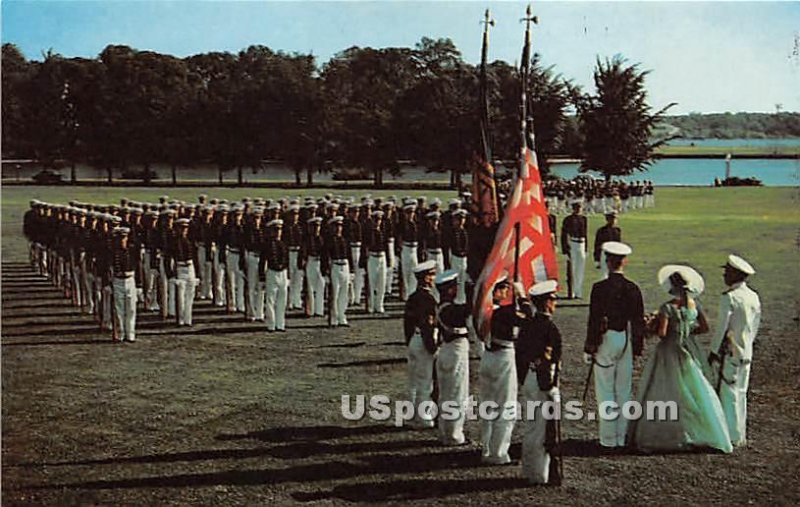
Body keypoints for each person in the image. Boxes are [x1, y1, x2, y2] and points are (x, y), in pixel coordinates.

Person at [628, 265, 732, 453]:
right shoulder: (695, 305)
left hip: (669, 350)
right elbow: (705, 328)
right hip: (689, 348)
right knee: (696, 389)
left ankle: (666, 435)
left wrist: (652, 324)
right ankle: (703, 431)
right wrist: (688, 330)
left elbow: (662, 333)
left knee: (665, 389)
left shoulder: (667, 307)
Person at [584, 241, 646, 450]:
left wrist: (590, 346)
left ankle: (608, 439)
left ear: (608, 261)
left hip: (606, 339)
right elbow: (638, 322)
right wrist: (637, 348)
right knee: (623, 390)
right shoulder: (633, 288)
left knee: (605, 391)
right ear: (624, 262)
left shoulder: (599, 288)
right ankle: (622, 436)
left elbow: (594, 319)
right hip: (626, 338)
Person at [708, 254, 761, 447]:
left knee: (728, 393)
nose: (724, 275)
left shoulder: (729, 298)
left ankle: (730, 436)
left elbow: (722, 327)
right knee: (741, 393)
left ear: (735, 274)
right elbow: (754, 326)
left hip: (730, 352)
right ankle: (740, 434)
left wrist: (713, 351)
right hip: (746, 350)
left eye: (727, 272)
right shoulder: (753, 297)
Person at [517, 279, 562, 484]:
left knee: (531, 427)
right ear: (545, 302)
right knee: (544, 430)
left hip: (529, 378)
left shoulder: (528, 325)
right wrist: (550, 386)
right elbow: (547, 359)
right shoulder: (550, 329)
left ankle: (530, 470)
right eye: (553, 299)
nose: (555, 303)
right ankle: (540, 474)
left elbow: (520, 355)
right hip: (544, 381)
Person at [480, 276, 527, 465]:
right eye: (504, 288)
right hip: (504, 356)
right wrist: (521, 295)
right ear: (496, 290)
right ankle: (498, 453)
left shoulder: (484, 310)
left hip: (488, 355)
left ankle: (487, 448)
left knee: (488, 405)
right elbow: (531, 315)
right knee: (506, 405)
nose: (507, 292)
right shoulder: (504, 312)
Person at [435, 269, 471, 445]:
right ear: (449, 289)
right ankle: (454, 435)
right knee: (456, 394)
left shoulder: (445, 306)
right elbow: (465, 312)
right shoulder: (448, 309)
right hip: (454, 351)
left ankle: (446, 432)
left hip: (449, 350)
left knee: (449, 393)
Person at [403, 260, 439, 429]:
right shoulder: (428, 299)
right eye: (431, 275)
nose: (433, 278)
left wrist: (409, 340)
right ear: (424, 278)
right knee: (425, 382)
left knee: (413, 381)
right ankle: (424, 418)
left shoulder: (413, 297)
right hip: (424, 340)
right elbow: (427, 325)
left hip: (413, 340)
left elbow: (407, 323)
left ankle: (410, 416)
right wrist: (432, 347)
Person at [110, 226, 141, 342]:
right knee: (119, 309)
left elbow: (138, 267)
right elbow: (107, 267)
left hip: (130, 279)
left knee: (131, 308)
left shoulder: (132, 251)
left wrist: (139, 284)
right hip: (118, 280)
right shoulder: (112, 252)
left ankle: (130, 333)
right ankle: (120, 332)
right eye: (120, 238)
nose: (122, 241)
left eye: (124, 238)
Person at [260, 218, 289, 332]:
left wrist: (288, 276)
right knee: (271, 300)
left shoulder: (283, 243)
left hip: (283, 273)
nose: (278, 232)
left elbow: (287, 260)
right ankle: (271, 324)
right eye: (275, 230)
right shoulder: (267, 244)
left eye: (279, 230)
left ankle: (280, 323)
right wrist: (262, 277)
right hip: (272, 272)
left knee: (282, 299)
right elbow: (262, 262)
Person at [323, 216, 352, 327]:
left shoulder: (345, 240)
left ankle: (342, 316)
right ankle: (333, 318)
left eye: (340, 226)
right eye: (336, 226)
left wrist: (352, 271)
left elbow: (348, 255)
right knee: (334, 294)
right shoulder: (329, 241)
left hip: (344, 266)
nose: (338, 228)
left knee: (344, 293)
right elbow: (325, 257)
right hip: (334, 266)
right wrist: (325, 272)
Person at [169, 218, 197, 327]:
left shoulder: (189, 240)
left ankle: (187, 318)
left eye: (185, 228)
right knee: (180, 295)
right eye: (182, 228)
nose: (184, 230)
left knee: (190, 294)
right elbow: (169, 258)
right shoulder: (173, 242)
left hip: (190, 267)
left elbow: (194, 257)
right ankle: (180, 319)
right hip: (179, 267)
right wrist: (171, 274)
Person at [561, 201, 587, 299]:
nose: (579, 209)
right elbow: (564, 234)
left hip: (582, 244)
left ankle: (578, 291)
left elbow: (585, 234)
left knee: (580, 269)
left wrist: (586, 248)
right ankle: (571, 291)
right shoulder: (568, 219)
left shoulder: (584, 219)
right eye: (577, 207)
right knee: (572, 268)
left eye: (580, 207)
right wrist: (565, 249)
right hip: (573, 243)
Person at [594, 211, 622, 280]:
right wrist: (597, 259)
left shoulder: (617, 230)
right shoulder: (602, 231)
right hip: (605, 254)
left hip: (614, 254)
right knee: (604, 275)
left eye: (615, 219)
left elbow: (618, 244)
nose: (614, 221)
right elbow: (597, 245)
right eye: (612, 219)